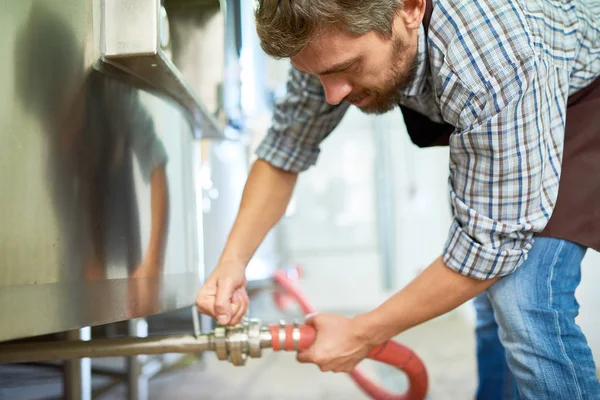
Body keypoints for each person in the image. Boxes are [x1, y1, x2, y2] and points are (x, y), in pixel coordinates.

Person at [196, 0, 600, 398]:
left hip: (583, 95)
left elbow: (491, 245)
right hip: (518, 90)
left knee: (524, 298)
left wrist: (363, 332)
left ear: (409, 8)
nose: (332, 95)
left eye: (347, 68)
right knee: (489, 299)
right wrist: (233, 261)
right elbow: (286, 149)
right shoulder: (326, 36)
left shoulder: (492, 53)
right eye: (317, 74)